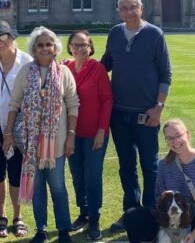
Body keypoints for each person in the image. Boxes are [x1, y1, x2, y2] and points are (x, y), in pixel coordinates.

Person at [101, 0, 172, 232]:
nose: (129, 11)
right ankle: (131, 212)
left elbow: (166, 74)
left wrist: (158, 107)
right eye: (124, 8)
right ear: (119, 11)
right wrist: (74, 70)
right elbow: (104, 66)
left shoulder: (155, 34)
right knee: (126, 165)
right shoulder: (115, 33)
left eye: (133, 7)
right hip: (119, 113)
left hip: (147, 113)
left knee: (150, 165)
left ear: (141, 8)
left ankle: (152, 212)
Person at [2, 26, 79, 243]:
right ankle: (41, 229)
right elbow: (14, 103)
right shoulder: (26, 72)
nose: (45, 48)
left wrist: (71, 135)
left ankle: (63, 229)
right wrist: (8, 133)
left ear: (55, 48)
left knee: (58, 188)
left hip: (57, 143)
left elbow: (73, 104)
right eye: (40, 45)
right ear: (34, 49)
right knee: (37, 190)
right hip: (31, 143)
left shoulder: (64, 73)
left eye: (48, 44)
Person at [124, 119, 195, 243]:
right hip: (170, 216)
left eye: (178, 136)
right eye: (169, 138)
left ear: (187, 134)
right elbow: (159, 199)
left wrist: (194, 235)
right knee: (132, 216)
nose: (175, 141)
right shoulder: (163, 165)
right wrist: (166, 222)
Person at [0, 20, 32, 238]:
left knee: (17, 172)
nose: (0, 42)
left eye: (3, 37)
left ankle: (17, 217)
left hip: (19, 127)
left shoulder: (27, 61)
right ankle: (1, 216)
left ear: (12, 37)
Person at [63, 29, 112, 241]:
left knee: (93, 177)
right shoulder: (65, 68)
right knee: (77, 176)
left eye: (84, 45)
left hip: (94, 133)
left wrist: (102, 130)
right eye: (76, 44)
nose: (80, 48)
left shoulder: (97, 69)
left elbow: (107, 100)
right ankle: (83, 213)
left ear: (90, 47)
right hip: (72, 134)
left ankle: (94, 218)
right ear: (70, 47)